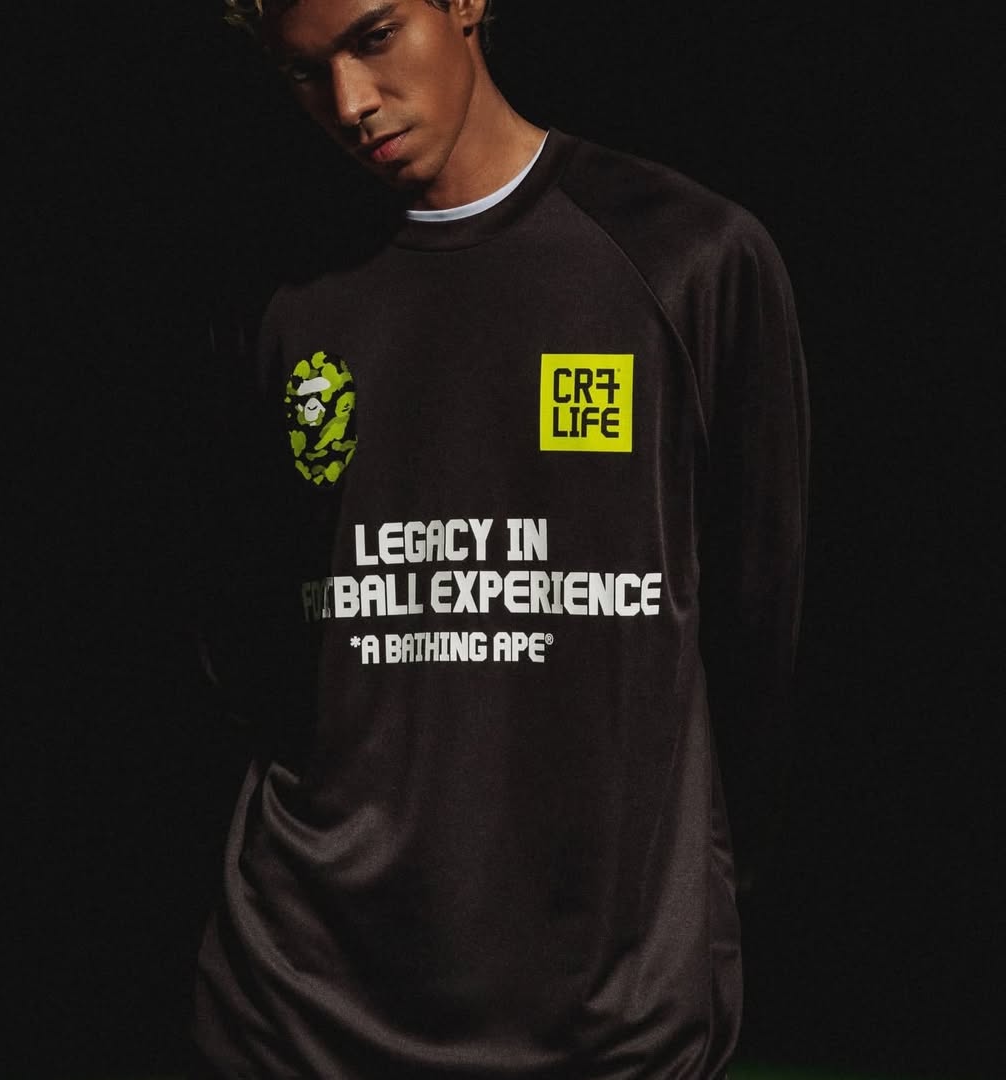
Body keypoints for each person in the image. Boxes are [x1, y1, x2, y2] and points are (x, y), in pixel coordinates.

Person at [189, 1, 809, 1076]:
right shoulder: (276, 294)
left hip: (602, 1013)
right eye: (302, 73)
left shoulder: (687, 257)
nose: (348, 102)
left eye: (374, 37)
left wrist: (671, 907)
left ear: (465, 0)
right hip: (304, 1005)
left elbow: (761, 635)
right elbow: (242, 633)